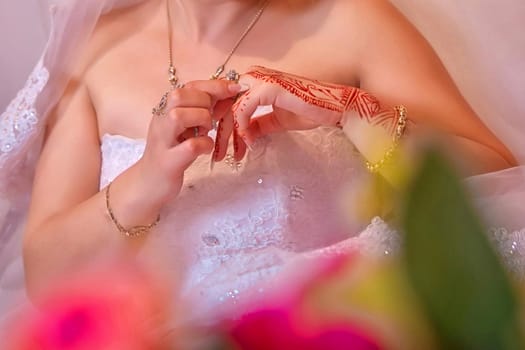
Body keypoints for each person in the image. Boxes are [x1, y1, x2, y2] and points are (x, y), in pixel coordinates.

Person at [1, 0, 524, 325]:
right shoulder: (95, 50)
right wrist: (146, 180)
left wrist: (350, 111)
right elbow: (49, 279)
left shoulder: (353, 17)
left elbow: (496, 181)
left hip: (324, 325)